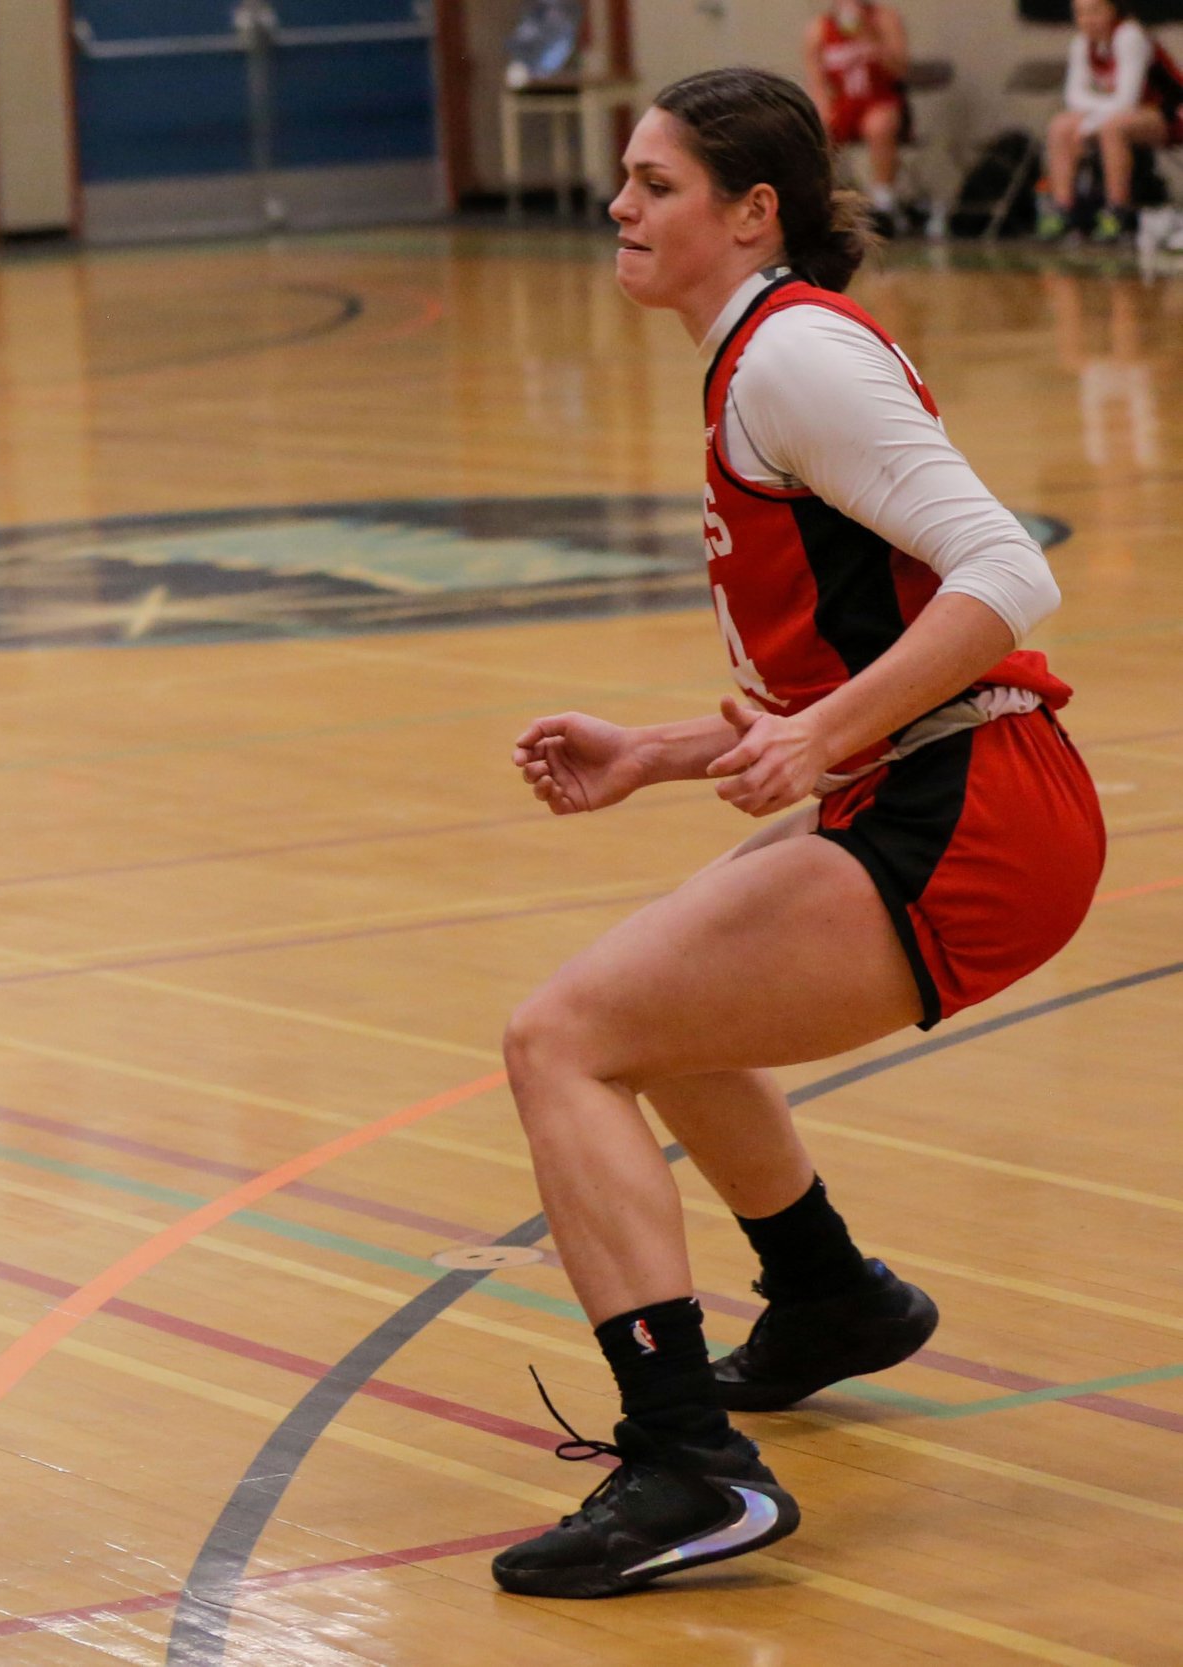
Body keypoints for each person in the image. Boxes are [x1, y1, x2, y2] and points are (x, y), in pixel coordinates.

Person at [490, 67, 1101, 1600]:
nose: (620, 206)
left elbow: (1005, 575)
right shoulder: (759, 360)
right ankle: (830, 1299)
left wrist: (821, 738)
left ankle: (688, 1459)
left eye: (656, 182)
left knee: (561, 1037)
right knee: (666, 1004)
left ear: (753, 210)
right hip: (939, 787)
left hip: (973, 806)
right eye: (624, 180)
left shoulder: (796, 355)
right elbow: (837, 662)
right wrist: (661, 751)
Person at [1038, 0, 1183, 242]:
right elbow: (1074, 96)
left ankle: (1117, 211)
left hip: (1171, 114)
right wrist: (1088, 122)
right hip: (1122, 114)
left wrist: (1089, 124)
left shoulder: (1130, 36)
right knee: (1061, 125)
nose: (1088, 20)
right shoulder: (1081, 44)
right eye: (1081, 13)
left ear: (1113, 9)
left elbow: (1128, 100)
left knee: (1112, 127)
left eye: (1095, 11)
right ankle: (1064, 210)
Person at [803, 2, 912, 232]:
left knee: (878, 125)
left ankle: (883, 200)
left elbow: (900, 71)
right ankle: (825, 198)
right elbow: (817, 83)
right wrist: (821, 113)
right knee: (818, 126)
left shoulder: (884, 19)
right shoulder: (819, 28)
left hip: (879, 98)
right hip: (843, 101)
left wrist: (871, 38)